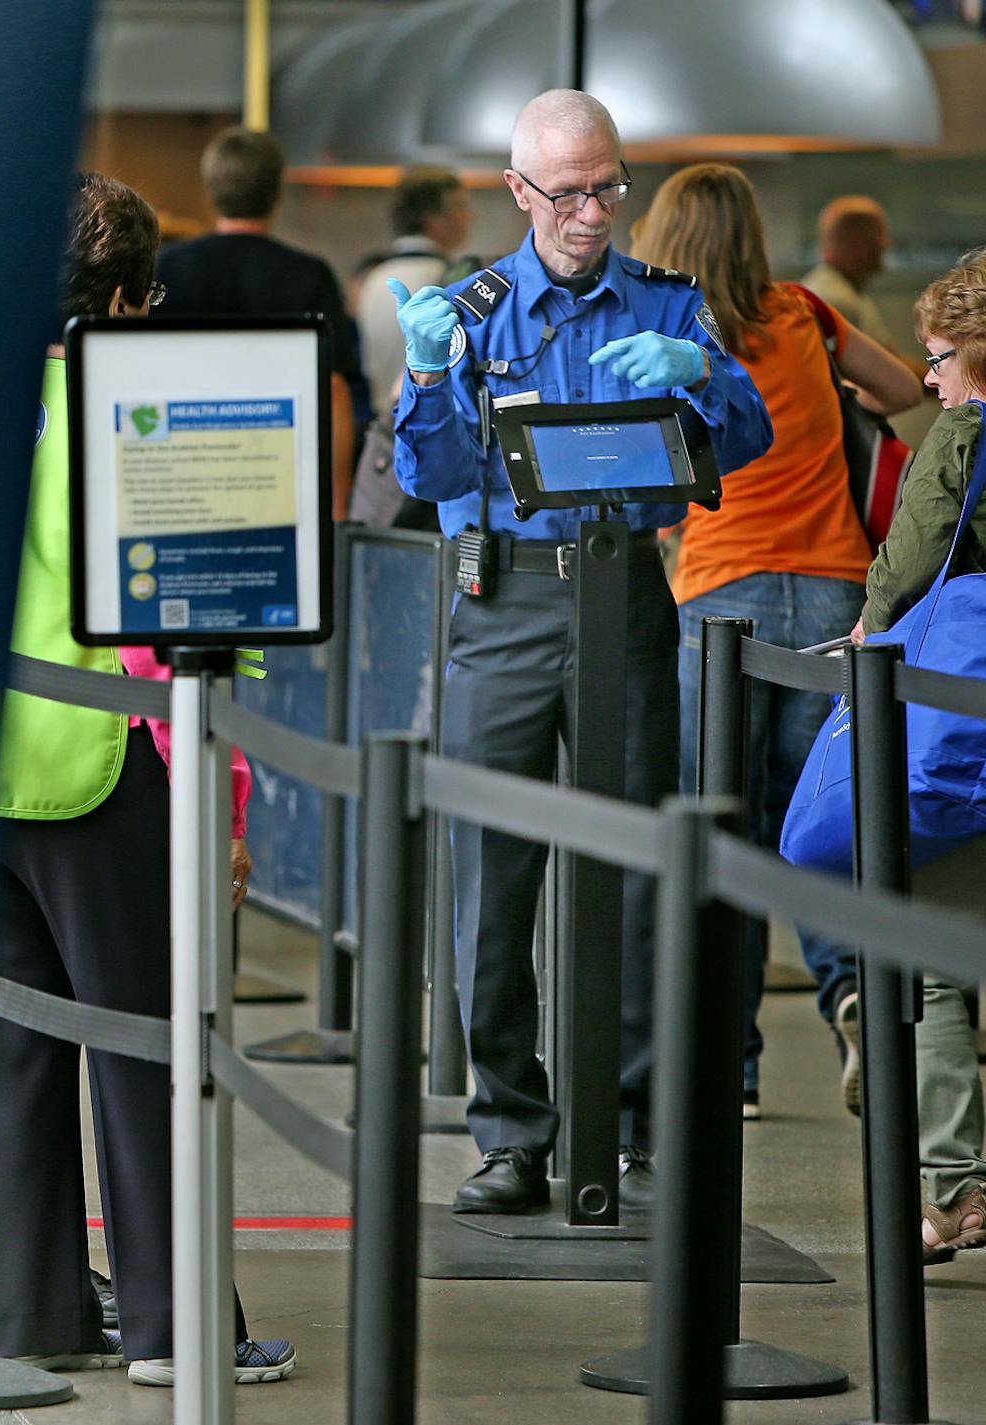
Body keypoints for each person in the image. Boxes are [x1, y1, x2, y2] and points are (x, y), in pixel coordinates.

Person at [390, 90, 773, 1215]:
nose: (594, 212)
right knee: (494, 885)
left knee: (638, 873)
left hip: (625, 599)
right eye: (568, 193)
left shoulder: (666, 306)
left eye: (608, 186)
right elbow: (433, 479)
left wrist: (704, 376)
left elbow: (742, 443)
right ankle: (511, 1133)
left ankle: (630, 1122)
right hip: (505, 606)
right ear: (518, 193)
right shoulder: (473, 311)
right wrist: (421, 380)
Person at [0, 171, 295, 1388]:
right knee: (152, 1050)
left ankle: (32, 1316)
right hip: (112, 771)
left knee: (11, 1056)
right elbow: (200, 627)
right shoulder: (147, 407)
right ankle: (173, 1329)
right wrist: (230, 805)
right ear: (121, 297)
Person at [631, 164, 920, 1120]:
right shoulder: (806, 312)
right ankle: (845, 990)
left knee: (726, 828)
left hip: (719, 596)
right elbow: (906, 387)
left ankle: (736, 1067)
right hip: (837, 592)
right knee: (817, 828)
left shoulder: (663, 333)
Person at [845, 250, 986, 1264]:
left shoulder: (963, 440)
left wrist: (864, 627)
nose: (928, 379)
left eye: (939, 358)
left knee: (932, 964)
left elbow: (905, 566)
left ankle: (953, 1187)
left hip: (964, 733)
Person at [157, 126, 361, 517]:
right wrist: (336, 507)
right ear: (278, 193)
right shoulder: (308, 273)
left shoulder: (168, 267)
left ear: (210, 190)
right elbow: (333, 389)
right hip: (277, 475)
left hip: (183, 472)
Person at [355, 166, 477, 427]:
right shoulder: (450, 281)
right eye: (460, 206)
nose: (470, 216)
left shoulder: (373, 278)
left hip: (380, 427)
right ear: (431, 218)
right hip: (429, 421)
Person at [802, 196, 925, 376]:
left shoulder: (845, 289)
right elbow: (881, 371)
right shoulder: (833, 299)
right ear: (860, 244)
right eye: (881, 237)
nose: (886, 244)